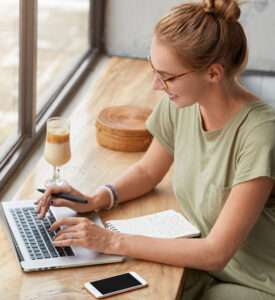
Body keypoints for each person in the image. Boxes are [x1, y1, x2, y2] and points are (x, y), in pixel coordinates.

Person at [36, 0, 275, 299]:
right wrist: (96, 198)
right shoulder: (183, 103)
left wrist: (110, 241)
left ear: (213, 73)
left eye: (167, 76)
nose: (155, 85)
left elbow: (216, 253)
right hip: (197, 265)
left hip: (256, 283)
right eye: (154, 68)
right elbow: (148, 171)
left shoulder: (261, 134)